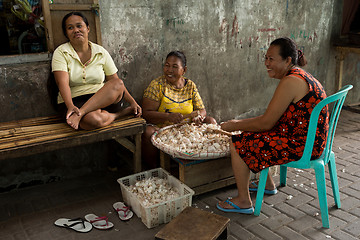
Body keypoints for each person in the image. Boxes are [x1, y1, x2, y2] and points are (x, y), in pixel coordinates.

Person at [217, 37, 329, 214]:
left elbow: (266, 122)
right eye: (266, 58)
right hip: (314, 141)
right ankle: (268, 184)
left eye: (271, 59)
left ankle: (243, 200)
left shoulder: (291, 81)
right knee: (255, 132)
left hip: (304, 147)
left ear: (288, 60)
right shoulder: (300, 75)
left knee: (238, 141)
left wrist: (234, 125)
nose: (266, 63)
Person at [51, 12, 141, 130]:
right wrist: (70, 106)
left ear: (87, 28)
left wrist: (133, 102)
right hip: (74, 101)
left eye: (79, 26)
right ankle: (118, 115)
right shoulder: (61, 52)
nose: (76, 30)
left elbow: (116, 83)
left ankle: (81, 113)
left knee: (118, 83)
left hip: (102, 99)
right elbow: (62, 83)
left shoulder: (100, 51)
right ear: (66, 33)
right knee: (94, 120)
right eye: (70, 28)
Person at [141, 51, 216, 169]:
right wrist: (168, 117)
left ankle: (207, 165)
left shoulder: (190, 86)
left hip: (187, 128)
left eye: (174, 67)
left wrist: (199, 116)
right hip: (163, 129)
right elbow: (146, 114)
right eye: (167, 65)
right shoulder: (157, 85)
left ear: (184, 70)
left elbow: (202, 110)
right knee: (147, 132)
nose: (169, 70)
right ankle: (154, 169)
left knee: (211, 121)